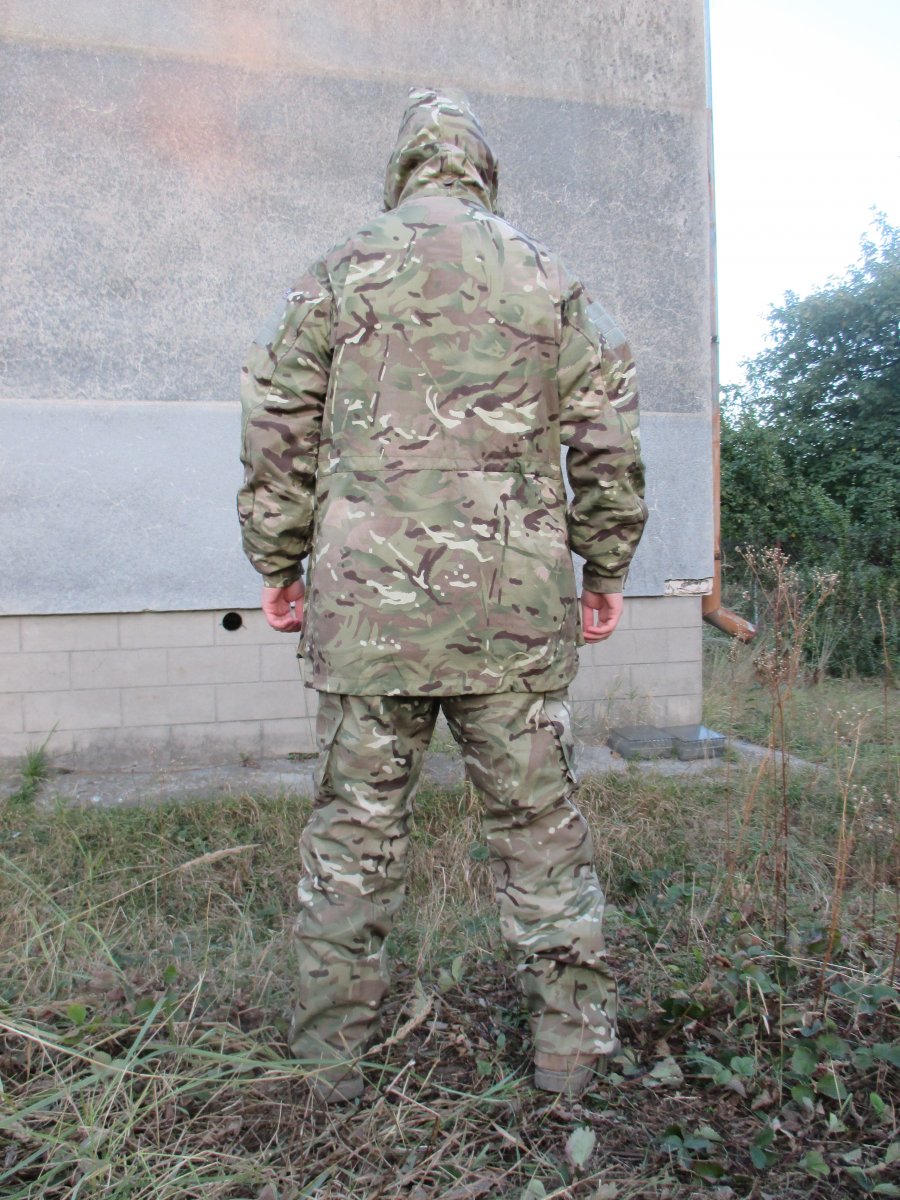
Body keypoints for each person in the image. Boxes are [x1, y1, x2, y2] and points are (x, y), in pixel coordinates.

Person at [238, 86, 647, 1103]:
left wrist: (278, 563)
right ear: (480, 166)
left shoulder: (340, 268)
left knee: (354, 835)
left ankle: (330, 1062)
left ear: (405, 165)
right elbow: (606, 431)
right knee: (539, 832)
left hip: (367, 611)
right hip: (513, 612)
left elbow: (277, 421)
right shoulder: (547, 275)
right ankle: (571, 1054)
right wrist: (606, 567)